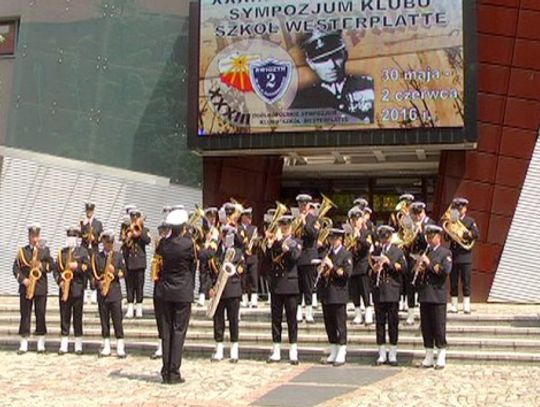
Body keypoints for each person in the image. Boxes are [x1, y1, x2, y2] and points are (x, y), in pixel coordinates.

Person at [291, 30, 374, 123]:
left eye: (336, 56)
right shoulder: (300, 100)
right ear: (310, 63)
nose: (332, 65)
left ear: (345, 54)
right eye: (322, 60)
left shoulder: (369, 86)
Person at [154, 208, 196, 384]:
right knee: (178, 331)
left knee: (166, 332)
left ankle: (165, 371)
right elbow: (194, 264)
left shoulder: (163, 244)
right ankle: (174, 372)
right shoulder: (188, 244)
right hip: (182, 292)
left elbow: (159, 263)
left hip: (164, 292)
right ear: (184, 226)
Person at [12, 224, 55, 354]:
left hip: (40, 287)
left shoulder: (44, 250)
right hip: (26, 287)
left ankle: (41, 343)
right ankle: (23, 343)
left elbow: (52, 265)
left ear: (39, 236)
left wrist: (41, 265)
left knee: (40, 314)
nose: (34, 238)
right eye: (32, 236)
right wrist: (23, 280)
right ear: (29, 236)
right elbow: (15, 268)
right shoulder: (22, 251)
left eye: (36, 236)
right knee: (25, 314)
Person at [265, 215, 302, 365]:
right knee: (276, 319)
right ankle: (276, 350)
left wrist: (282, 244)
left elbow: (295, 257)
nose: (284, 229)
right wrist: (269, 245)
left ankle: (293, 350)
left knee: (292, 320)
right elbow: (268, 260)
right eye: (282, 227)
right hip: (276, 284)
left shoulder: (295, 241)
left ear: (291, 227)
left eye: (286, 227)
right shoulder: (275, 241)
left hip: (290, 285)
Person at [416, 225, 452, 369]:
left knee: (438, 325)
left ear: (438, 237)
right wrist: (419, 268)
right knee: (427, 327)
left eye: (432, 237)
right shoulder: (426, 252)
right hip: (425, 294)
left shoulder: (445, 252)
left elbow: (445, 270)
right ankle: (429, 354)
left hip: (437, 295)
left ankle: (441, 353)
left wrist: (429, 264)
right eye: (428, 238)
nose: (429, 240)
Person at [371, 225, 407, 367]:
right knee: (380, 323)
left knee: (393, 323)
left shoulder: (397, 251)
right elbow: (369, 270)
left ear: (391, 237)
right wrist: (374, 269)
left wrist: (389, 263)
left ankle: (392, 353)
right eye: (382, 238)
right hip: (379, 291)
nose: (384, 241)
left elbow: (404, 268)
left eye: (386, 238)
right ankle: (381, 352)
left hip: (392, 291)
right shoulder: (376, 251)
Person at [208, 225, 244, 363]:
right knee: (218, 321)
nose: (225, 236)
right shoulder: (215, 252)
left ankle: (234, 350)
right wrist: (209, 288)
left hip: (233, 289)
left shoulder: (237, 252)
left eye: (228, 234)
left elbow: (243, 268)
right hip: (218, 291)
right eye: (223, 234)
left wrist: (235, 269)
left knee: (233, 320)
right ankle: (219, 349)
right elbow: (209, 271)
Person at [317, 228, 352, 366]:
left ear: (340, 240)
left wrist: (332, 267)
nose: (332, 241)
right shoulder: (327, 253)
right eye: (330, 239)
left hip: (338, 293)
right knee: (329, 323)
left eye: (335, 239)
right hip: (326, 292)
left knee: (339, 323)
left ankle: (342, 350)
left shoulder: (346, 254)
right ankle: (333, 348)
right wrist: (320, 268)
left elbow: (346, 274)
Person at [54, 227, 90, 355]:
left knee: (77, 317)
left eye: (73, 237)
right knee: (64, 316)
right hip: (64, 289)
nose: (71, 239)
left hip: (77, 288)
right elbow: (56, 270)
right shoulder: (62, 253)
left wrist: (78, 266)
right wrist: (60, 281)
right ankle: (64, 345)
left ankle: (78, 345)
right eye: (69, 236)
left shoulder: (82, 251)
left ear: (77, 238)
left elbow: (87, 267)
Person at [91, 231, 127, 358]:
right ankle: (106, 345)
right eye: (107, 242)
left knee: (117, 320)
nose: (109, 245)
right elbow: (93, 274)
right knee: (104, 320)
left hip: (115, 292)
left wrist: (115, 271)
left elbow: (124, 273)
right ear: (103, 243)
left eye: (111, 242)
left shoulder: (118, 256)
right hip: (103, 292)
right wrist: (97, 283)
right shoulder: (97, 257)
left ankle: (120, 346)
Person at [446, 198, 479, 314]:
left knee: (466, 281)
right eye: (457, 209)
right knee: (453, 281)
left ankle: (466, 305)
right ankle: (454, 305)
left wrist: (466, 234)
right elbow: (446, 237)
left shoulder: (470, 221)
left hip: (465, 255)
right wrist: (450, 233)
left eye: (461, 208)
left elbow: (476, 234)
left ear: (465, 209)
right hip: (454, 254)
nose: (459, 211)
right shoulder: (452, 221)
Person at [405, 201, 436, 325]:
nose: (417, 217)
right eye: (415, 214)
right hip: (412, 257)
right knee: (410, 286)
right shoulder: (409, 223)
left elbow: (430, 242)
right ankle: (410, 314)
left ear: (423, 212)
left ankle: (424, 313)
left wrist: (421, 232)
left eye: (419, 214)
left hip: (424, 257)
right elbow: (405, 240)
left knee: (423, 285)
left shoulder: (430, 223)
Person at [150, 206, 173, 360]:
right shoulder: (159, 247)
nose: (162, 233)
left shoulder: (173, 246)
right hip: (159, 285)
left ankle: (170, 346)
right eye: (160, 230)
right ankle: (161, 344)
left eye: (164, 230)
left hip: (170, 286)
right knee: (160, 317)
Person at [346, 207, 374, 325]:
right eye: (353, 220)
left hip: (363, 266)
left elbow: (367, 246)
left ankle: (368, 314)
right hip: (353, 267)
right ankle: (357, 314)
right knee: (354, 292)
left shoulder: (366, 232)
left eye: (357, 219)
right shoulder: (348, 233)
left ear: (361, 220)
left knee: (365, 290)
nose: (355, 222)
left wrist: (358, 237)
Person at [294, 194, 319, 323]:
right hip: (297, 256)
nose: (303, 207)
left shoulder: (314, 219)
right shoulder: (294, 219)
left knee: (308, 285)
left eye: (305, 205)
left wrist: (304, 223)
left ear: (309, 206)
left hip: (309, 256)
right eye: (300, 205)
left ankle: (308, 312)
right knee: (298, 286)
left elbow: (314, 235)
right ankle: (298, 312)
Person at [123, 209, 151, 319]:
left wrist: (139, 233)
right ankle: (130, 308)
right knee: (129, 286)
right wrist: (129, 235)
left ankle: (139, 308)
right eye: (132, 217)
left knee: (139, 286)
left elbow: (147, 240)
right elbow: (123, 242)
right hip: (129, 262)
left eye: (136, 217)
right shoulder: (126, 229)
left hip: (140, 263)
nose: (134, 219)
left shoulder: (144, 230)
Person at [80, 202, 103, 304]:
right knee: (84, 270)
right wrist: (83, 226)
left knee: (94, 271)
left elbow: (102, 237)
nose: (89, 213)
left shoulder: (98, 223)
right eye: (87, 211)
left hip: (94, 249)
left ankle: (94, 293)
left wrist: (95, 239)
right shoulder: (83, 223)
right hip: (84, 249)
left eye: (90, 211)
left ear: (93, 211)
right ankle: (84, 293)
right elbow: (79, 235)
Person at [239, 208, 259, 308]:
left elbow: (257, 241)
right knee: (243, 278)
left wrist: (255, 242)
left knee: (253, 277)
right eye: (248, 217)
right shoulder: (239, 228)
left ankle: (254, 299)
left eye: (250, 217)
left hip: (253, 257)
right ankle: (244, 299)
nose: (250, 219)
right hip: (243, 257)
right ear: (243, 217)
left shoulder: (254, 228)